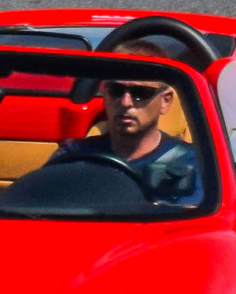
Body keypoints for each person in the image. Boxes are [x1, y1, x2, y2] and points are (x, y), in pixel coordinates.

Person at [48, 40, 203, 204]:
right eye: (116, 91)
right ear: (105, 94)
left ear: (165, 101)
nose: (125, 102)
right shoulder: (73, 157)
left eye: (141, 92)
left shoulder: (193, 163)